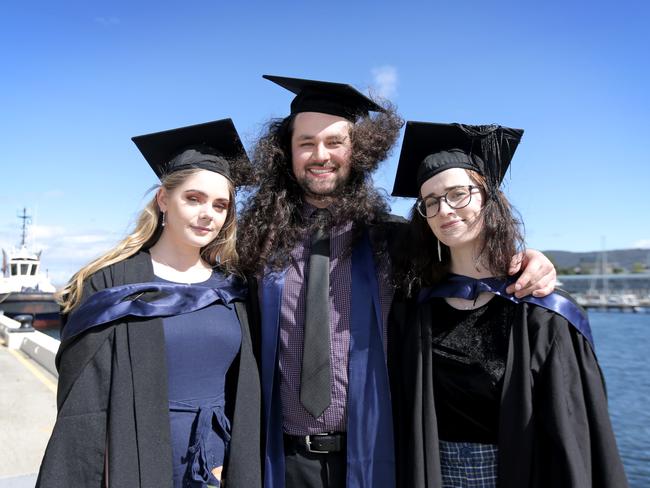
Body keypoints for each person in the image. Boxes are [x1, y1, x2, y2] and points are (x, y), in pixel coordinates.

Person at [237, 76, 557, 488]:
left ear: (360, 150)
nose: (321, 155)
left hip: (376, 456)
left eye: (335, 142)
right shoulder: (253, 244)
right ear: (287, 151)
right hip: (278, 459)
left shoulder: (395, 240)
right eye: (306, 143)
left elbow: (466, 260)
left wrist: (532, 260)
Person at [388, 121, 628, 488]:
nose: (446, 209)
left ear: (489, 198)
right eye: (431, 201)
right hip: (432, 473)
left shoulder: (543, 313)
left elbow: (573, 433)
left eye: (459, 194)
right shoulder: (415, 307)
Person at [37, 119, 262, 488]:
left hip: (216, 466)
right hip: (134, 461)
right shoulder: (111, 285)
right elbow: (81, 405)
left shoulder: (234, 290)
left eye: (220, 205)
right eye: (194, 198)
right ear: (163, 200)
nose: (208, 214)